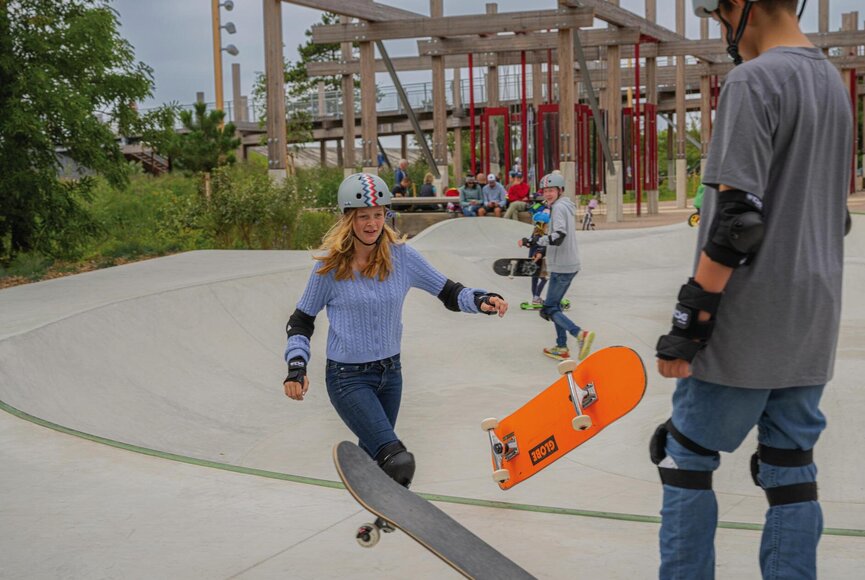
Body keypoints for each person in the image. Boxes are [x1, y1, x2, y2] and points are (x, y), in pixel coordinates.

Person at [653, 1, 853, 579]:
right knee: (791, 470)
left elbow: (739, 221)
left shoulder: (754, 79)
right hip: (812, 320)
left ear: (741, 6)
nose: (722, 29)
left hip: (745, 322)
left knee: (686, 456)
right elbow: (832, 216)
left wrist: (691, 322)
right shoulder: (832, 85)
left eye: (719, 15)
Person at [283, 173, 509, 493]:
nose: (372, 223)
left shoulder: (401, 257)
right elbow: (301, 320)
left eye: (378, 215)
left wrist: (481, 300)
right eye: (363, 217)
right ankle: (392, 499)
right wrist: (296, 366)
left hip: (391, 375)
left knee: (376, 459)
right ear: (349, 219)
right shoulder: (330, 268)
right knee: (397, 458)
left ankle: (375, 520)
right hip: (348, 379)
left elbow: (449, 292)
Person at [519, 173, 595, 361]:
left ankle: (579, 334)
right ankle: (561, 347)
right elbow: (558, 235)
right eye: (545, 191)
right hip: (565, 264)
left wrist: (536, 240)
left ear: (560, 190)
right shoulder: (562, 206)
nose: (548, 194)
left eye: (551, 190)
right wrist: (542, 251)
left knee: (549, 308)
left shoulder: (559, 208)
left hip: (562, 266)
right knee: (554, 306)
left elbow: (558, 236)